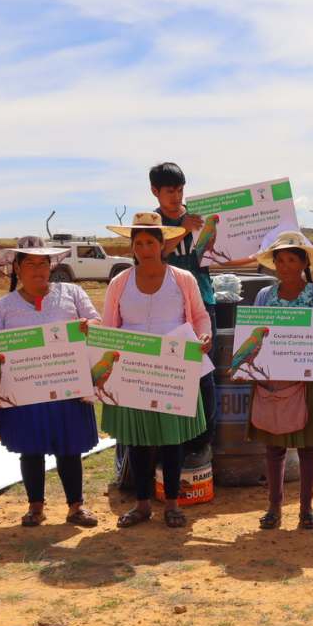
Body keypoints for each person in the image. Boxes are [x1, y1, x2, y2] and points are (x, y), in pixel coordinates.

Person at [101, 212, 211, 528]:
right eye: (140, 243)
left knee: (171, 439)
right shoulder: (119, 283)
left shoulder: (183, 279)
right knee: (137, 440)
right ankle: (143, 504)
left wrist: (205, 336)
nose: (146, 248)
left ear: (163, 244)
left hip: (173, 370)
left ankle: (173, 504)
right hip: (133, 370)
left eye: (151, 241)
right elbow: (110, 326)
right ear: (132, 247)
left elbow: (201, 316)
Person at [0, 236, 101, 528]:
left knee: (69, 448)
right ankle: (35, 507)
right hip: (24, 394)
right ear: (17, 268)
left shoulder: (72, 293)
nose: (37, 269)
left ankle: (76, 507)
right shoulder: (3, 307)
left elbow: (97, 323)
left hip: (68, 387)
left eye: (43, 263)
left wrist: (90, 327)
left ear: (51, 266)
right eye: (29, 263)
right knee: (30, 449)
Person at [248, 231, 313, 530]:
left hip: (309, 382)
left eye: (292, 259)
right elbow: (254, 335)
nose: (285, 265)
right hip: (273, 381)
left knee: (307, 446)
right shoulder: (264, 296)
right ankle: (273, 507)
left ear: (303, 263)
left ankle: (306, 508)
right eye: (280, 260)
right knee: (273, 447)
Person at [149, 163, 217, 463]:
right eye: (169, 191)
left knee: (204, 370)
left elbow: (213, 254)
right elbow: (153, 253)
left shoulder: (197, 215)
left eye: (179, 190)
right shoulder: (151, 221)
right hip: (166, 305)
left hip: (202, 298)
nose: (176, 196)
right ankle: (171, 441)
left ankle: (203, 441)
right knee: (172, 372)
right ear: (155, 192)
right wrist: (182, 230)